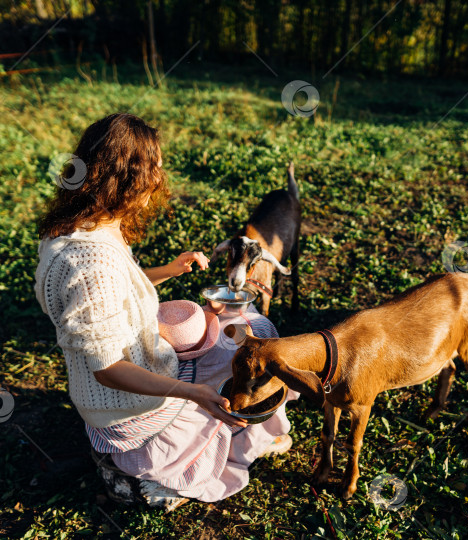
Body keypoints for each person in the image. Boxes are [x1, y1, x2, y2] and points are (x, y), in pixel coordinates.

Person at [33, 113, 293, 511]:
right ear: (129, 180)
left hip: (116, 382)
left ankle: (254, 419)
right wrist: (191, 393)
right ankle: (249, 436)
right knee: (252, 351)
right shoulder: (91, 264)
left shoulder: (75, 228)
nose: (157, 183)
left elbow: (115, 289)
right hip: (123, 406)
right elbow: (108, 367)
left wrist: (167, 271)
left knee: (246, 329)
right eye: (152, 171)